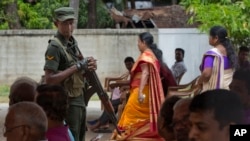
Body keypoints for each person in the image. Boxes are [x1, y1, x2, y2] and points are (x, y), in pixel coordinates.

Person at [43, 7, 97, 141]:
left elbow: (80, 68)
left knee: (80, 136)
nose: (69, 27)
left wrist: (89, 65)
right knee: (71, 136)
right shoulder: (55, 47)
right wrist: (77, 67)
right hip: (67, 101)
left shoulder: (72, 42)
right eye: (65, 23)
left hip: (79, 98)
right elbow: (49, 79)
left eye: (71, 23)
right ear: (56, 24)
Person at [111, 32, 165, 140]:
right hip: (147, 92)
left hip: (142, 91)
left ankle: (129, 137)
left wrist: (140, 92)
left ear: (143, 42)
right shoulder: (152, 55)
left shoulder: (146, 56)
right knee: (144, 117)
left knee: (131, 115)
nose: (137, 44)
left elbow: (145, 73)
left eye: (138, 42)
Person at [88, 56, 135, 133]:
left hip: (130, 96)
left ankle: (100, 123)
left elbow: (132, 83)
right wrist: (121, 85)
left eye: (130, 64)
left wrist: (120, 84)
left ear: (134, 63)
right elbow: (131, 82)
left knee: (110, 103)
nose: (128, 67)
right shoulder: (132, 70)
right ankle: (102, 122)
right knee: (110, 102)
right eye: (126, 65)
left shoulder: (135, 70)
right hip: (127, 94)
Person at [198, 25, 237, 92]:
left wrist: (199, 81)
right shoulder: (231, 53)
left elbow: (206, 74)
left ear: (216, 38)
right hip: (229, 92)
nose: (208, 38)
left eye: (210, 36)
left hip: (214, 94)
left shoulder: (212, 54)